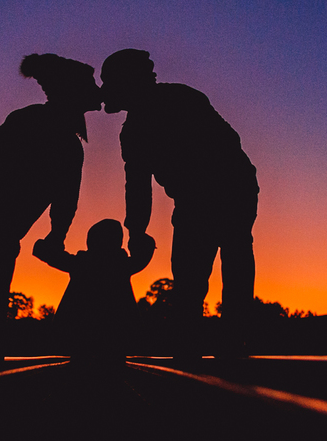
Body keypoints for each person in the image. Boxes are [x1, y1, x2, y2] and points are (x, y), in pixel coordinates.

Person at [0, 54, 101, 362]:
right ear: (73, 91)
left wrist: (56, 235)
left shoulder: (55, 134)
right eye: (91, 83)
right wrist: (55, 237)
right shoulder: (45, 129)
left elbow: (64, 201)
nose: (98, 88)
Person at [99, 48, 258, 359]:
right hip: (198, 198)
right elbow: (138, 187)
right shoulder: (134, 131)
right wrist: (137, 231)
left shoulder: (180, 101)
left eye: (111, 82)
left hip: (229, 190)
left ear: (129, 82)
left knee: (229, 261)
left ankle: (229, 343)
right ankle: (193, 346)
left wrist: (138, 231)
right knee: (191, 275)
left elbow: (226, 146)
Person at [32, 219, 155, 363]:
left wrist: (56, 236)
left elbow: (42, 251)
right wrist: (137, 234)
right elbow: (145, 251)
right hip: (117, 333)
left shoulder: (81, 263)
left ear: (90, 241)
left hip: (78, 332)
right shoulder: (121, 265)